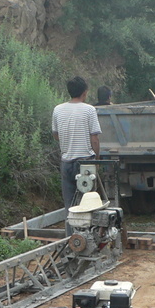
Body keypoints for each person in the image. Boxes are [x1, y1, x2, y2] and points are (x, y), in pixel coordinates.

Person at [52, 76, 102, 234]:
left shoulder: (57, 110)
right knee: (89, 204)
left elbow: (56, 134)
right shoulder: (89, 110)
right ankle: (89, 240)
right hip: (85, 164)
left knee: (70, 206)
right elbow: (94, 139)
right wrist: (97, 159)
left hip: (66, 162)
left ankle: (71, 241)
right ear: (85, 92)